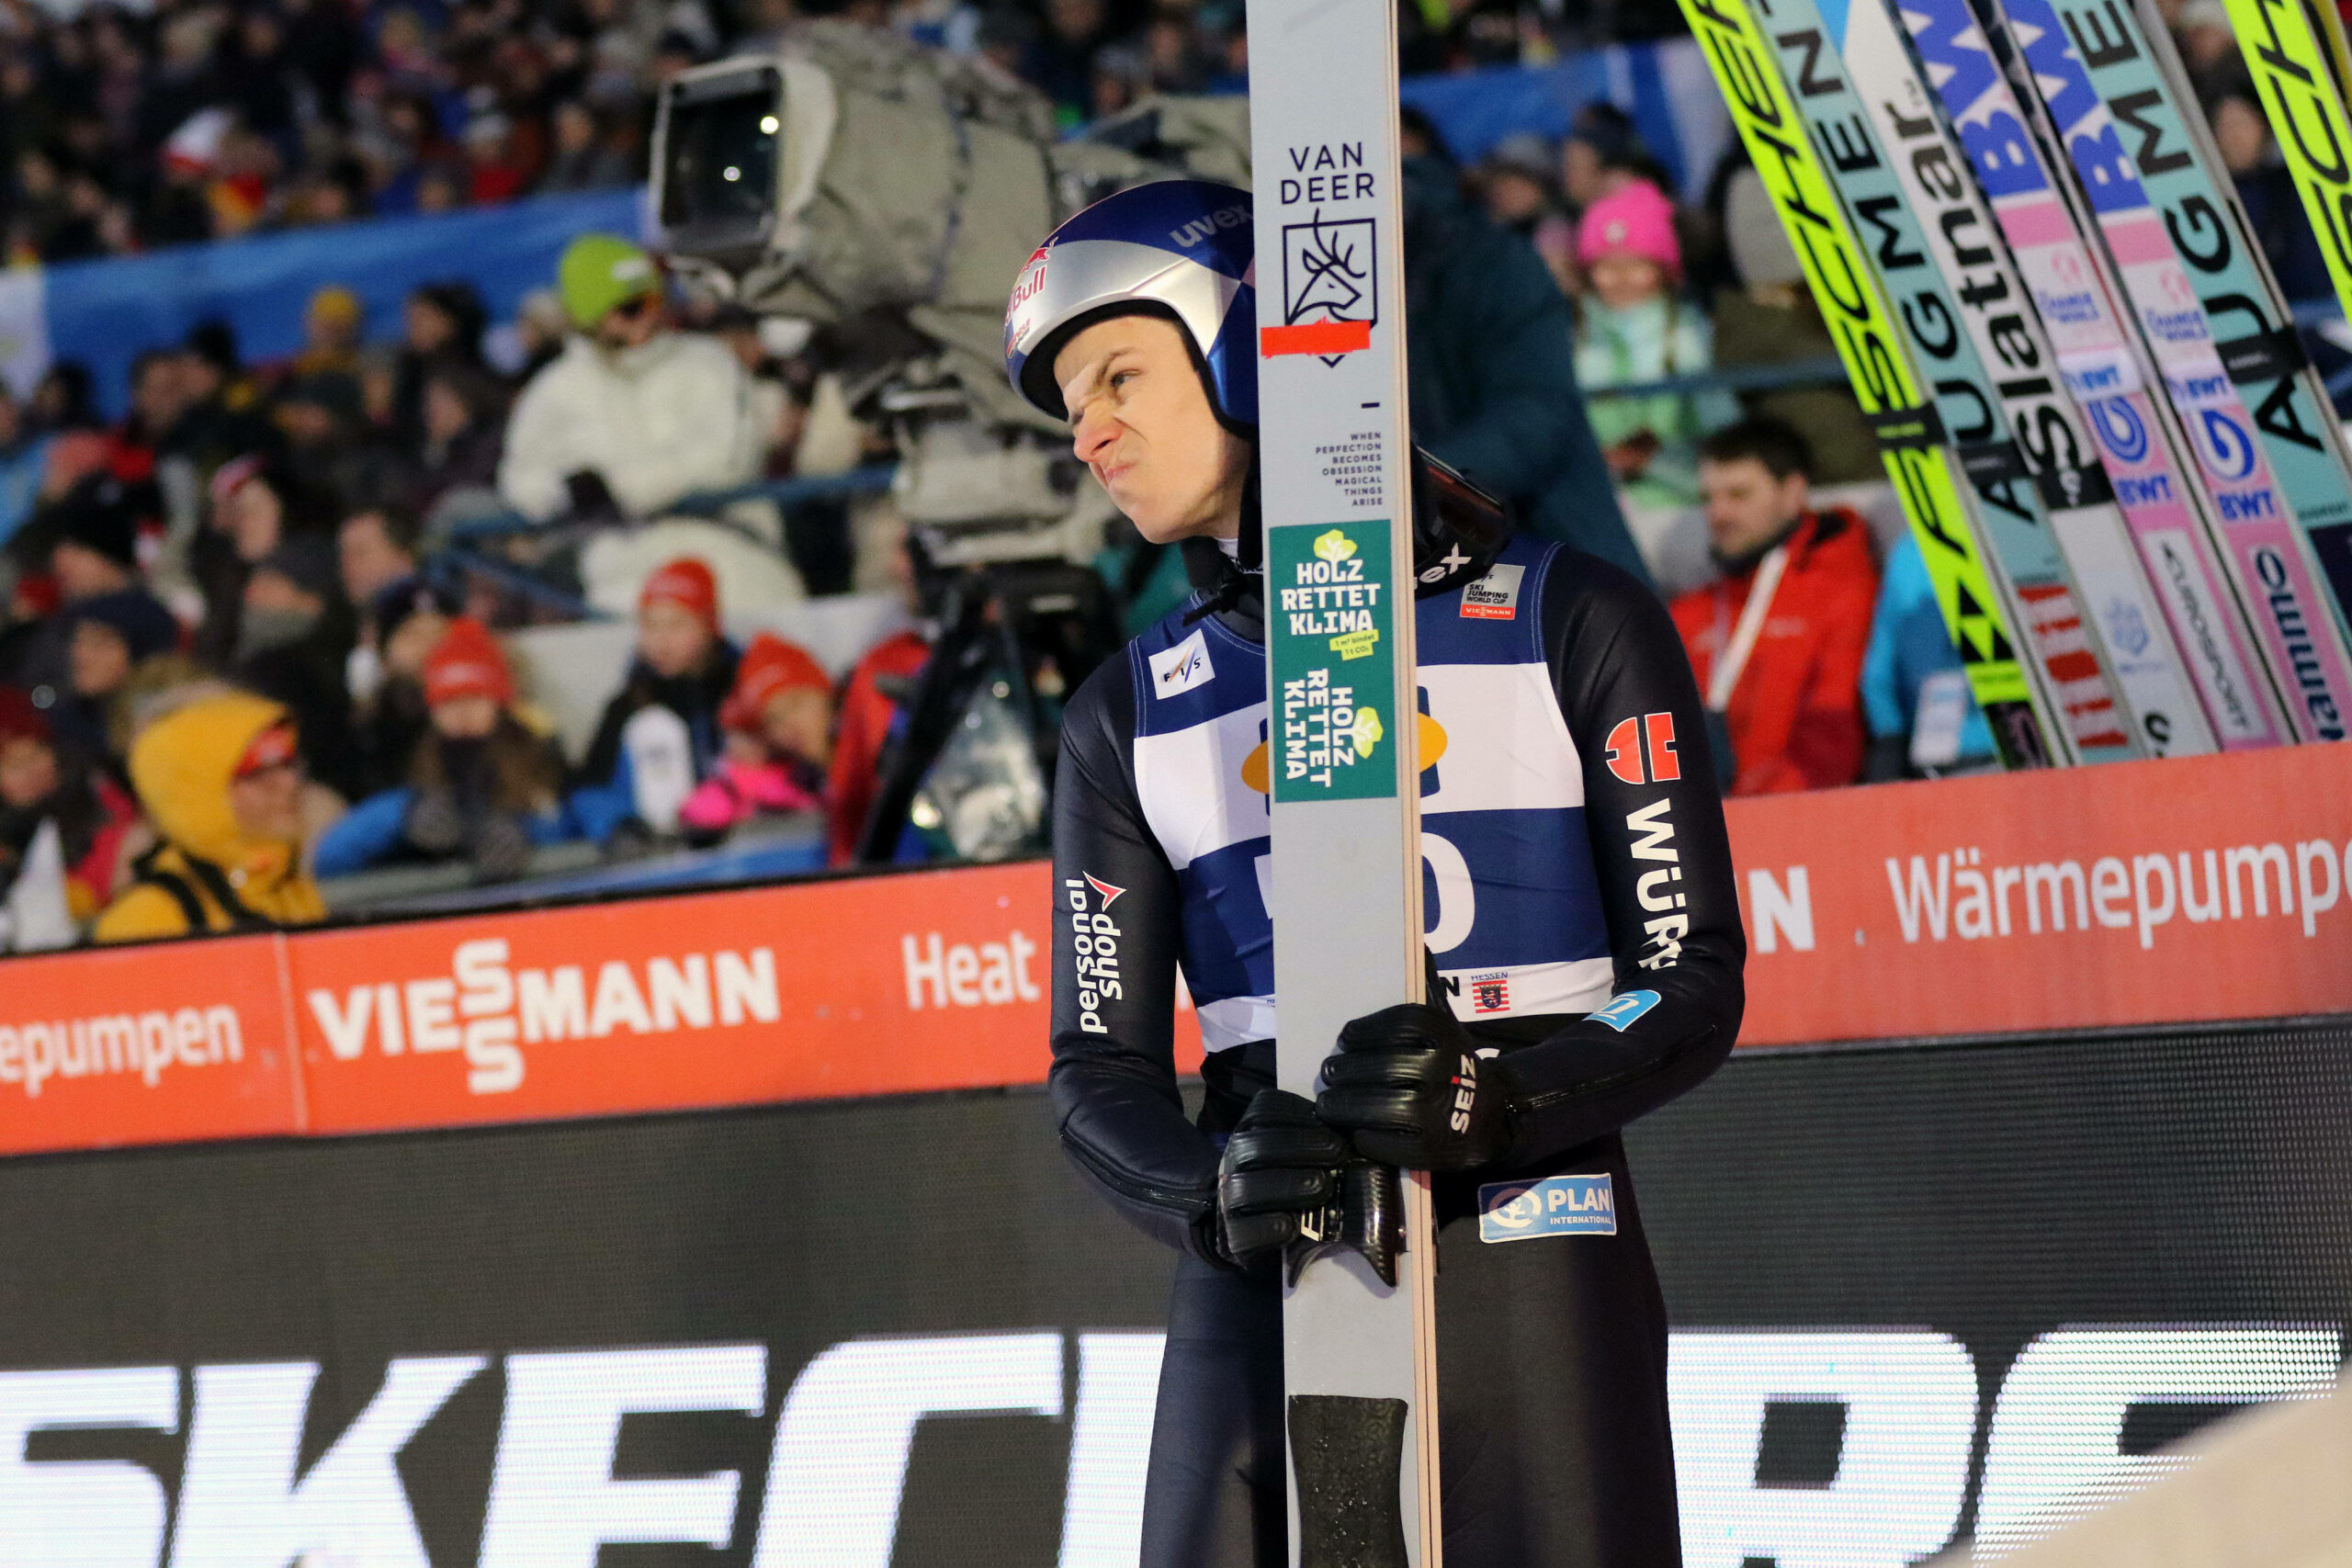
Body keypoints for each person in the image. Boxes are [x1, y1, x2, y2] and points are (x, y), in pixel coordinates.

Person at [1006, 181, 1743, 1565]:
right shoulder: (1128, 708)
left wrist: (1507, 1091)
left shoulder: (1569, 612)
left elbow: (1687, 983)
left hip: (1529, 1215)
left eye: (1119, 373)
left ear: (1247, 346)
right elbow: (1094, 1072)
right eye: (1067, 404)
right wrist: (1209, 1188)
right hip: (1261, 1245)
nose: (1089, 429)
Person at [496, 233, 769, 524]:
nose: (650, 317)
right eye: (632, 307)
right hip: (611, 556)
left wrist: (616, 489)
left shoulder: (707, 361)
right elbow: (520, 478)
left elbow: (730, 461)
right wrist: (564, 493)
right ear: (592, 317)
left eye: (657, 301)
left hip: (724, 542)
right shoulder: (557, 388)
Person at [1671, 418, 1878, 795]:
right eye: (1708, 498)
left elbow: (1834, 727)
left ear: (1792, 492)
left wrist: (1756, 812)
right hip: (1702, 826)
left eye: (1739, 495)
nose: (1718, 514)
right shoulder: (1689, 612)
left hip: (1797, 820)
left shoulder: (1842, 590)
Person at [314, 617, 571, 881]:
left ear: (499, 702)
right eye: (448, 701)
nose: (462, 712)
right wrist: (404, 817)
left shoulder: (538, 754)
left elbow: (573, 825)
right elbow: (331, 857)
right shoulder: (410, 756)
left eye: (474, 697)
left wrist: (526, 833)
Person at [92, 691, 326, 942]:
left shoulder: (289, 886)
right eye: (257, 772)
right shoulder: (149, 917)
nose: (289, 783)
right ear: (200, 794)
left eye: (288, 764)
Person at [1574, 180, 1737, 512]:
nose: (1621, 279)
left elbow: (1722, 430)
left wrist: (1655, 459)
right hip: (1602, 507)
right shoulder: (1578, 339)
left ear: (1663, 271)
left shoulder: (1687, 337)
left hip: (1684, 504)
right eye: (1605, 267)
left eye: (1636, 265)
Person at [571, 555, 741, 845]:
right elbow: (590, 790)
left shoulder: (743, 691)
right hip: (656, 855)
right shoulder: (627, 706)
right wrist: (620, 825)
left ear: (709, 625)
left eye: (677, 625)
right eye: (650, 625)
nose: (661, 641)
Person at [0, 685, 140, 936]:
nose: (31, 772)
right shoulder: (9, 838)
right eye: (14, 765)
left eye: (36, 754)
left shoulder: (96, 793)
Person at [680, 632, 833, 841]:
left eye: (797, 703)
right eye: (775, 719)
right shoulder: (797, 782)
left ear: (825, 695)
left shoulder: (867, 759)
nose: (792, 724)